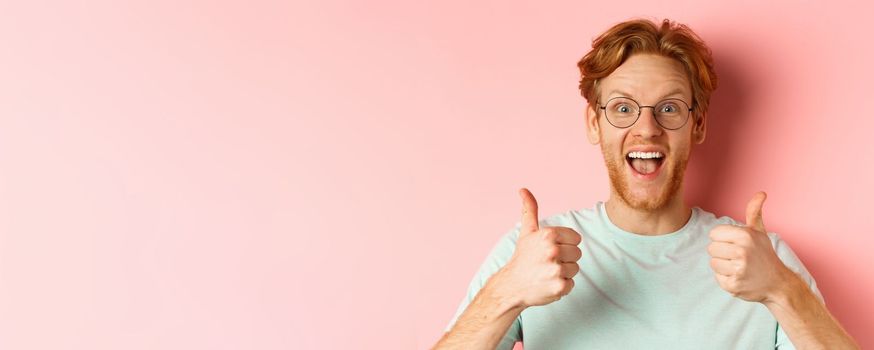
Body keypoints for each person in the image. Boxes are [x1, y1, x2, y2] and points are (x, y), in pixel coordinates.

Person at [432, 18, 859, 349]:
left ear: (698, 124)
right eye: (623, 108)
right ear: (594, 123)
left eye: (669, 108)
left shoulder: (765, 262)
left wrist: (782, 290)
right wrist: (506, 294)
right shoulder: (530, 255)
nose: (647, 129)